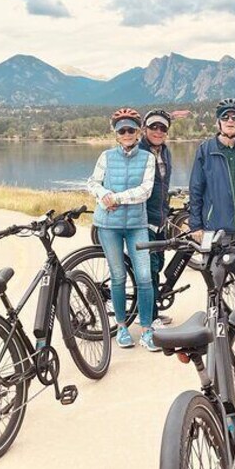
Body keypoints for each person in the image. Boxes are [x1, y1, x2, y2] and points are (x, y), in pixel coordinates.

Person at [87, 108, 160, 352]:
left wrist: (116, 198)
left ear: (138, 132)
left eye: (131, 129)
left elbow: (145, 191)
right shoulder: (105, 157)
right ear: (117, 134)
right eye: (122, 130)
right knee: (118, 276)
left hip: (137, 225)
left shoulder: (148, 158)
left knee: (144, 277)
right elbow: (92, 183)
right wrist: (104, 194)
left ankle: (148, 329)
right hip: (109, 226)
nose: (127, 134)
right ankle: (122, 327)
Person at [188, 98, 235, 311]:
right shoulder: (205, 150)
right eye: (225, 117)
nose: (230, 120)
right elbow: (196, 189)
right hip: (215, 228)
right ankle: (214, 322)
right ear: (218, 123)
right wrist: (196, 225)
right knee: (215, 277)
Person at [139, 109, 174, 328]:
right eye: (154, 127)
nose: (158, 131)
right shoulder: (139, 151)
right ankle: (150, 319)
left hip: (160, 219)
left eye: (162, 128)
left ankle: (153, 310)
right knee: (150, 270)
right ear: (145, 129)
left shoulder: (165, 152)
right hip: (143, 219)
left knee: (158, 265)